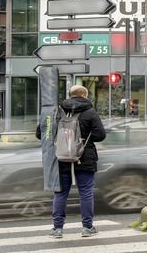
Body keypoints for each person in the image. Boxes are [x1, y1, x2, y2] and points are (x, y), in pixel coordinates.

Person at [37, 84, 106, 239]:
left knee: (60, 194)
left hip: (61, 159)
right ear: (85, 95)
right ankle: (87, 227)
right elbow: (100, 135)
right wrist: (84, 138)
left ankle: (57, 229)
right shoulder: (90, 112)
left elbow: (40, 133)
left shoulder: (56, 112)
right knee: (86, 193)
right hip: (84, 158)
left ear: (70, 95)